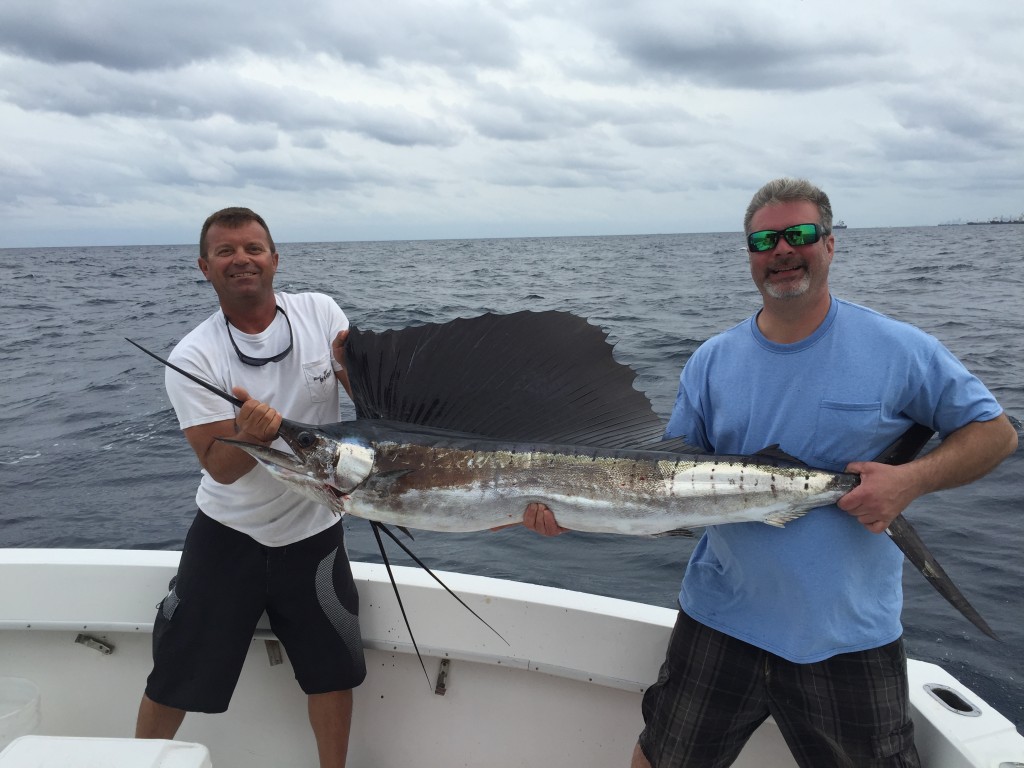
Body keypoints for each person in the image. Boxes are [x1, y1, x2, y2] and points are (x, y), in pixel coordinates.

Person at [523, 178, 1018, 768]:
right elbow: (662, 487)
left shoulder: (900, 349)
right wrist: (567, 511)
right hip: (720, 618)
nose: (781, 250)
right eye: (764, 240)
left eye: (799, 234)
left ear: (829, 245)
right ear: (751, 256)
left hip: (846, 634)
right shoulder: (711, 360)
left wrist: (909, 481)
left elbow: (996, 434)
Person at [134, 207, 366, 768]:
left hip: (316, 527)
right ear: (204, 267)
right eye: (225, 252)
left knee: (332, 669)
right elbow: (220, 466)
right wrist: (246, 435)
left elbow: (368, 399)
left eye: (253, 248)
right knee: (177, 668)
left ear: (274, 258)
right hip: (229, 535)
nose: (242, 259)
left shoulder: (321, 311)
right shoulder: (194, 355)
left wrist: (359, 373)